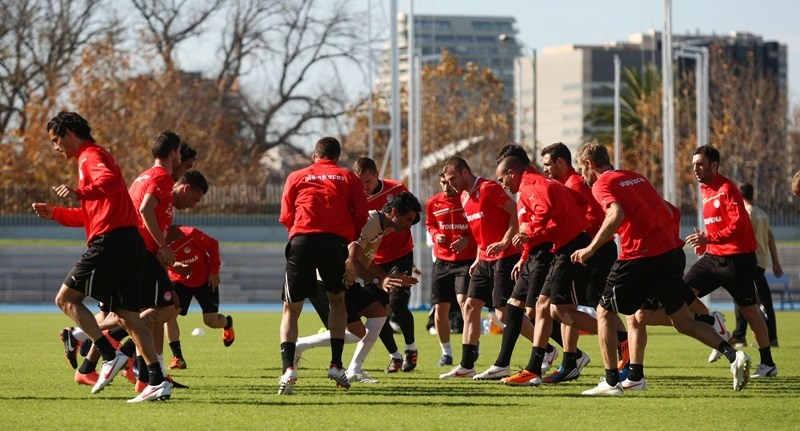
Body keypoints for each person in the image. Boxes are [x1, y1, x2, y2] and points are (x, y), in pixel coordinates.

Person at [571, 141, 751, 395]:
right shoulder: (635, 177)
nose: (581, 175)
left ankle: (611, 382)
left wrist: (591, 249)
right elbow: (671, 210)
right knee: (669, 320)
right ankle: (733, 355)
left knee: (604, 311)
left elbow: (616, 215)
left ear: (590, 164)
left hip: (638, 256)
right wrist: (664, 239)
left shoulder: (602, 183)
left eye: (581, 169)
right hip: (668, 253)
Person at [32, 111, 170, 402]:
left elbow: (104, 183)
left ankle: (108, 355)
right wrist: (56, 213)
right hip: (130, 241)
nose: (56, 148)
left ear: (69, 133)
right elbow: (91, 212)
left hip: (111, 242)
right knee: (129, 318)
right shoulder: (95, 155)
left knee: (66, 299)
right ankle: (156, 381)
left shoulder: (89, 156)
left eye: (56, 140)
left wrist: (79, 190)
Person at [278, 136, 369, 395]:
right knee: (337, 301)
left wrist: (299, 233)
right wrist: (347, 235)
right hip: (333, 243)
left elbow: (286, 215)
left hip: (302, 242)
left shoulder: (296, 176)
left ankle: (288, 370)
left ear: (314, 156)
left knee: (290, 309)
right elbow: (361, 214)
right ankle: (336, 365)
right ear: (337, 158)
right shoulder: (349, 178)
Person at [492, 156, 593, 386]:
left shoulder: (530, 185)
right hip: (565, 245)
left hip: (570, 246)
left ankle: (618, 340)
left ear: (512, 172)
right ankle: (537, 367)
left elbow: (543, 211)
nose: (503, 185)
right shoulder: (544, 183)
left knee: (558, 310)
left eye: (502, 179)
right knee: (544, 307)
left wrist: (531, 234)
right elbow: (575, 203)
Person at [684, 146, 777, 378]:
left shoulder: (727, 189)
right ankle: (714, 322)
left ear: (714, 166)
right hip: (713, 257)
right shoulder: (705, 191)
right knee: (680, 295)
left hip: (738, 260)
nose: (695, 169)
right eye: (694, 164)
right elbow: (717, 225)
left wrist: (709, 237)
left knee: (750, 311)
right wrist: (706, 244)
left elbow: (738, 225)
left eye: (700, 164)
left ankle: (767, 364)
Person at [540, 142, 629, 381]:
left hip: (591, 250)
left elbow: (593, 217)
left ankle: (622, 341)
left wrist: (562, 228)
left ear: (561, 162)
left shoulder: (576, 184)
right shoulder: (565, 185)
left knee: (569, 308)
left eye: (548, 164)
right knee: (559, 306)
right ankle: (571, 361)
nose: (545, 170)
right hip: (576, 250)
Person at [439, 156, 521, 379]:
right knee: (469, 305)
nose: (451, 184)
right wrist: (477, 257)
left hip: (505, 256)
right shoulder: (464, 196)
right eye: (447, 180)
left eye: (453, 178)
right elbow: (480, 232)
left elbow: (515, 213)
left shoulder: (489, 188)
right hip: (484, 259)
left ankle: (547, 350)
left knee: (504, 313)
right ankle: (466, 365)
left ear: (465, 172)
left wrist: (505, 242)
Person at [353, 157, 418, 373]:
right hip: (374, 260)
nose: (364, 187)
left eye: (368, 182)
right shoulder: (356, 197)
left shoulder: (397, 189)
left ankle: (410, 349)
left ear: (377, 174)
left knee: (398, 303)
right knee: (376, 310)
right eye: (360, 182)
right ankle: (395, 356)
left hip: (401, 255)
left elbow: (412, 215)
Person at [165, 223, 235, 371]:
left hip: (205, 280)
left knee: (211, 321)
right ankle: (178, 357)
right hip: (179, 281)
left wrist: (214, 271)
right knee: (169, 315)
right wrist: (175, 265)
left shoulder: (191, 234)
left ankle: (227, 323)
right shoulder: (156, 240)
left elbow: (213, 244)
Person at [426, 173, 477, 367]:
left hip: (465, 260)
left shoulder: (467, 199)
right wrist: (436, 234)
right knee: (440, 309)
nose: (447, 186)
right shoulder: (433, 203)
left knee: (465, 302)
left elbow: (479, 225)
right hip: (442, 261)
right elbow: (430, 224)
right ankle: (446, 353)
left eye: (450, 181)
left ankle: (473, 344)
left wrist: (468, 240)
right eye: (443, 182)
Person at [729, 183, 781, 348]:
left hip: (748, 261)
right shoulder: (763, 215)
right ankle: (768, 337)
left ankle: (742, 336)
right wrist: (776, 262)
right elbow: (770, 238)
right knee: (761, 299)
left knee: (744, 299)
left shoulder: (746, 214)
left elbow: (741, 237)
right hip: (761, 262)